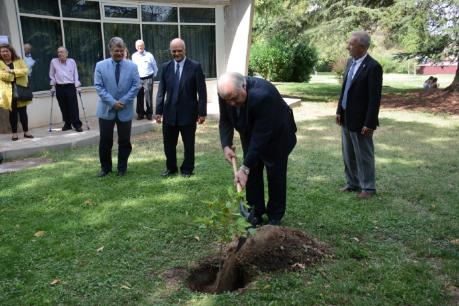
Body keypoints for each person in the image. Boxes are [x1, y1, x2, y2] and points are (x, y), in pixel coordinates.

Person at [218, 72, 297, 226]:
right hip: (250, 132)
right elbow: (225, 119)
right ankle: (255, 213)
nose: (232, 103)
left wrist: (244, 168)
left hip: (277, 135)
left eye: (234, 98)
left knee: (275, 173)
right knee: (252, 172)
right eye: (228, 100)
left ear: (244, 86)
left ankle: (275, 216)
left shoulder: (263, 96)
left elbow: (261, 136)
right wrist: (226, 145)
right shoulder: (226, 92)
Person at [335, 31, 383, 199]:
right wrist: (339, 110)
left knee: (364, 154)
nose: (348, 47)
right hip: (346, 116)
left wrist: (369, 123)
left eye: (351, 44)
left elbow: (374, 98)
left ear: (362, 47)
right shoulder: (350, 62)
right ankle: (352, 183)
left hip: (362, 120)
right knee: (348, 153)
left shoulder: (373, 67)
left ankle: (368, 188)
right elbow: (345, 89)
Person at [155, 38, 207, 178]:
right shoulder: (166, 67)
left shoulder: (195, 66)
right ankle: (171, 168)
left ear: (185, 50)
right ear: (170, 51)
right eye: (174, 51)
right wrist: (158, 111)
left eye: (179, 50)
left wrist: (202, 113)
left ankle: (187, 169)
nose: (176, 53)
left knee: (189, 144)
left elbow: (202, 92)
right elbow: (161, 91)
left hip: (188, 114)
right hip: (169, 113)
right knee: (168, 144)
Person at [94, 37, 140, 177]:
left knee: (124, 141)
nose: (119, 53)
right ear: (110, 50)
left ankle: (122, 169)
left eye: (121, 50)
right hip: (106, 109)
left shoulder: (132, 66)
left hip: (125, 110)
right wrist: (113, 102)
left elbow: (136, 86)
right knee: (105, 141)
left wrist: (123, 101)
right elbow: (99, 87)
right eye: (116, 50)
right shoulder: (100, 65)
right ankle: (106, 168)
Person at [0, 44, 34, 141]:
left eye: (7, 51)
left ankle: (26, 132)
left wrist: (12, 71)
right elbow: (1, 75)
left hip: (21, 90)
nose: (5, 53)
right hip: (8, 92)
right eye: (3, 51)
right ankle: (14, 134)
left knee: (23, 112)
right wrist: (12, 76)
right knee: (13, 113)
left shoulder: (18, 60)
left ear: (11, 51)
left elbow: (26, 70)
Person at [49, 46, 83, 132]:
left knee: (73, 106)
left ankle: (77, 124)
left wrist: (77, 85)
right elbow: (52, 75)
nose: (60, 54)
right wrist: (53, 86)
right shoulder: (54, 62)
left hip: (70, 86)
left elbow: (75, 74)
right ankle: (67, 124)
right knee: (63, 106)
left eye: (62, 52)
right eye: (58, 52)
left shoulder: (72, 62)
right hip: (59, 87)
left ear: (66, 54)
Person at [132, 39, 157, 120]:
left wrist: (153, 76)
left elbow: (155, 67)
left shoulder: (149, 55)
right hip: (138, 78)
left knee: (148, 97)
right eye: (138, 46)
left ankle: (149, 114)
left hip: (148, 77)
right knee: (139, 96)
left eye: (141, 45)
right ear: (136, 47)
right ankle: (140, 114)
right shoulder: (134, 56)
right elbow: (133, 68)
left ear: (144, 46)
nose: (140, 47)